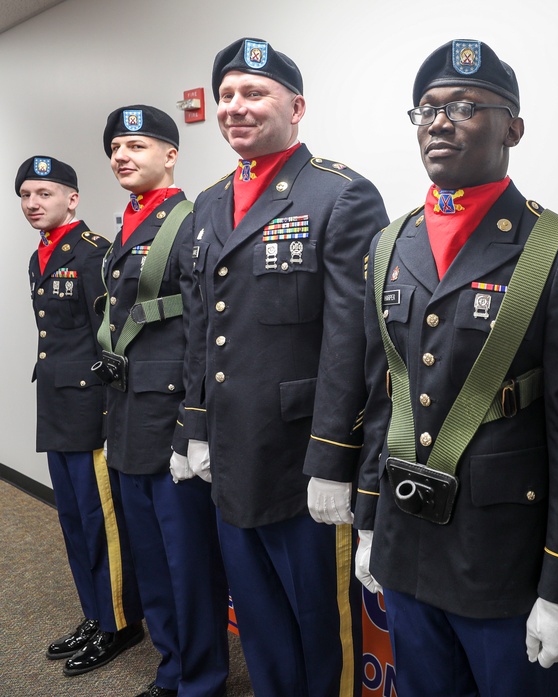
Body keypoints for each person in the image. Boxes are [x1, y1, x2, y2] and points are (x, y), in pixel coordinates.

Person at [352, 39, 558, 696]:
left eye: (466, 106)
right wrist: (369, 521)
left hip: (501, 560)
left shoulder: (556, 250)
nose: (440, 121)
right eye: (428, 109)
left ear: (512, 128)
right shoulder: (389, 243)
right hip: (406, 547)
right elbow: (385, 396)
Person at [181, 37, 388, 697]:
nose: (236, 107)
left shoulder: (340, 195)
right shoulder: (210, 202)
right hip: (233, 451)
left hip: (303, 460)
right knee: (261, 619)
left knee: (314, 622)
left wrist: (333, 458)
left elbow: (354, 339)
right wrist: (197, 425)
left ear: (295, 107)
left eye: (254, 93)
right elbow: (201, 323)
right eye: (227, 95)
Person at [97, 104, 230, 697]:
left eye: (138, 147)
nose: (123, 157)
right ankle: (171, 667)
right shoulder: (126, 223)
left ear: (170, 155)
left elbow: (204, 332)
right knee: (151, 561)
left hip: (170, 420)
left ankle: (200, 679)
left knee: (187, 565)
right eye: (116, 150)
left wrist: (192, 425)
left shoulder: (190, 221)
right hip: (126, 416)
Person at [16, 155, 145, 676]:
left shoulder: (94, 254)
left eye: (44, 193)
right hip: (58, 406)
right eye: (24, 195)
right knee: (72, 521)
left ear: (72, 198)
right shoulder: (40, 255)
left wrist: (115, 409)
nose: (32, 204)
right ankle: (96, 613)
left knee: (102, 523)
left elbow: (115, 335)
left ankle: (119, 622)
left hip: (92, 406)